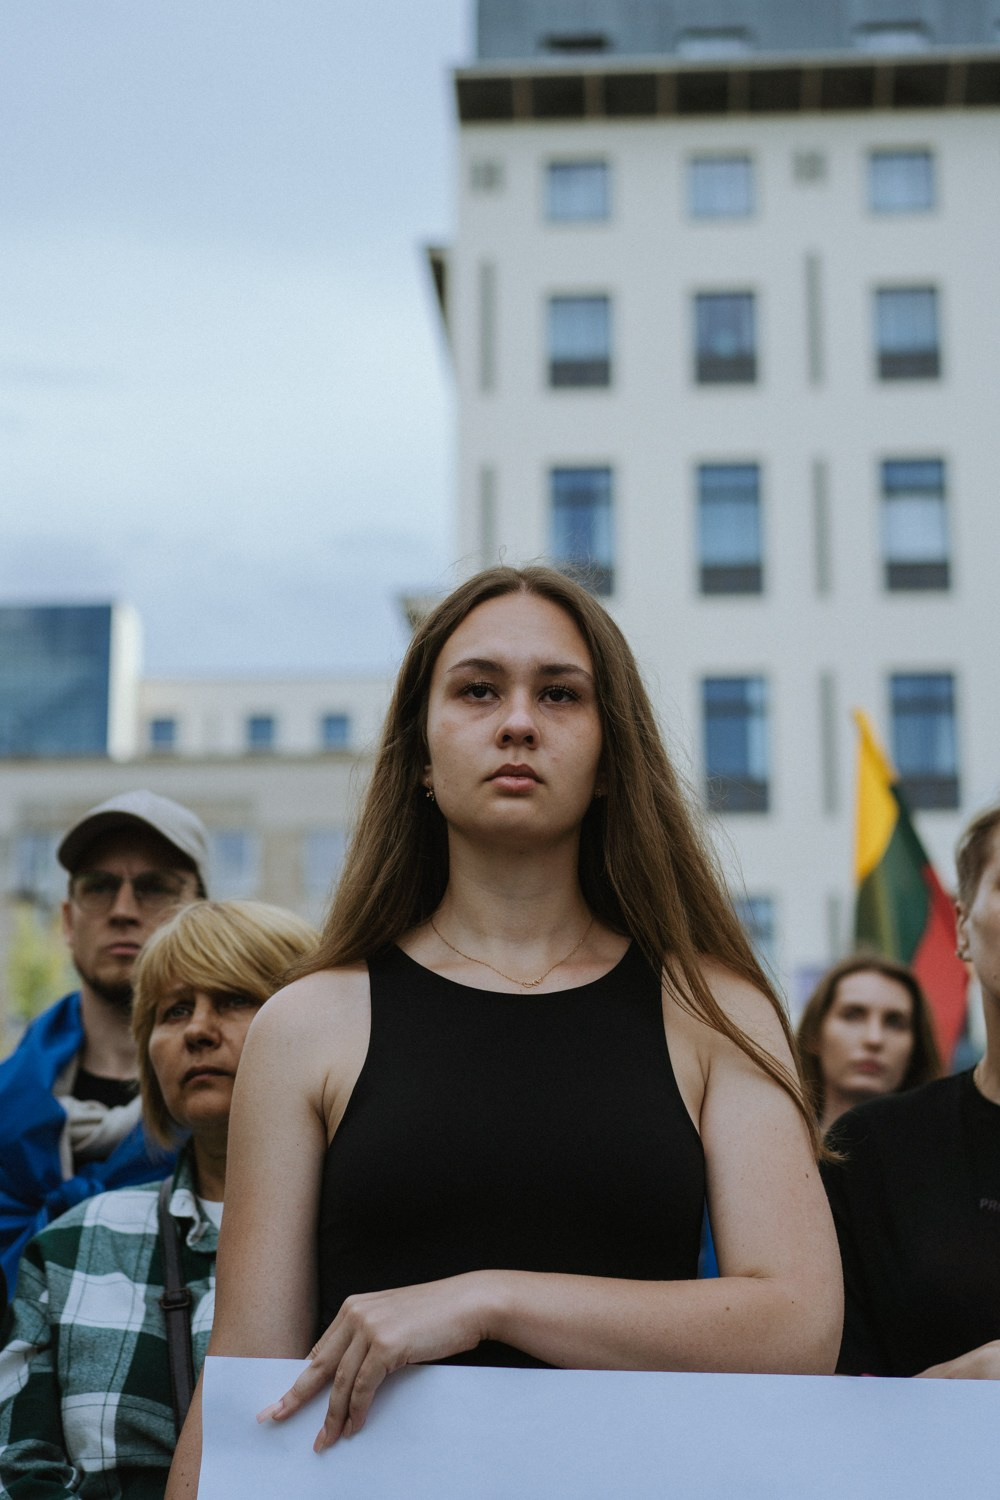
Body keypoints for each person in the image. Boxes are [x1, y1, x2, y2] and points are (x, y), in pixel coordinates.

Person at [167, 565, 842, 1495]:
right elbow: (250, 1386)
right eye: (478, 690)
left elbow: (799, 1330)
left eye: (560, 694)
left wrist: (490, 1300)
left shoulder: (714, 1010)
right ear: (419, 755)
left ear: (610, 759)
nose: (518, 721)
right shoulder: (308, 1023)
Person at [0, 900, 317, 1500]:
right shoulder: (69, 1246)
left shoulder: (389, 1231)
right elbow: (16, 1472)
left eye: (235, 998)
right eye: (174, 1011)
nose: (198, 1029)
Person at [0, 791, 209, 1291]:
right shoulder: (7, 1102)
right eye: (99, 887)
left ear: (201, 915)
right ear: (67, 920)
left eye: (155, 888)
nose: (123, 910)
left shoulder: (241, 1103)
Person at [821, 803, 1000, 1378]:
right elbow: (835, 1387)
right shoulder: (870, 1150)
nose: (872, 1037)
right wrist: (963, 1381)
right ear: (964, 927)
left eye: (893, 1021)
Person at [796, 954, 941, 1133]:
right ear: (814, 1035)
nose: (874, 1039)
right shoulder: (775, 1142)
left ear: (916, 1049)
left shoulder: (948, 1147)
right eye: (852, 1015)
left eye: (895, 1022)